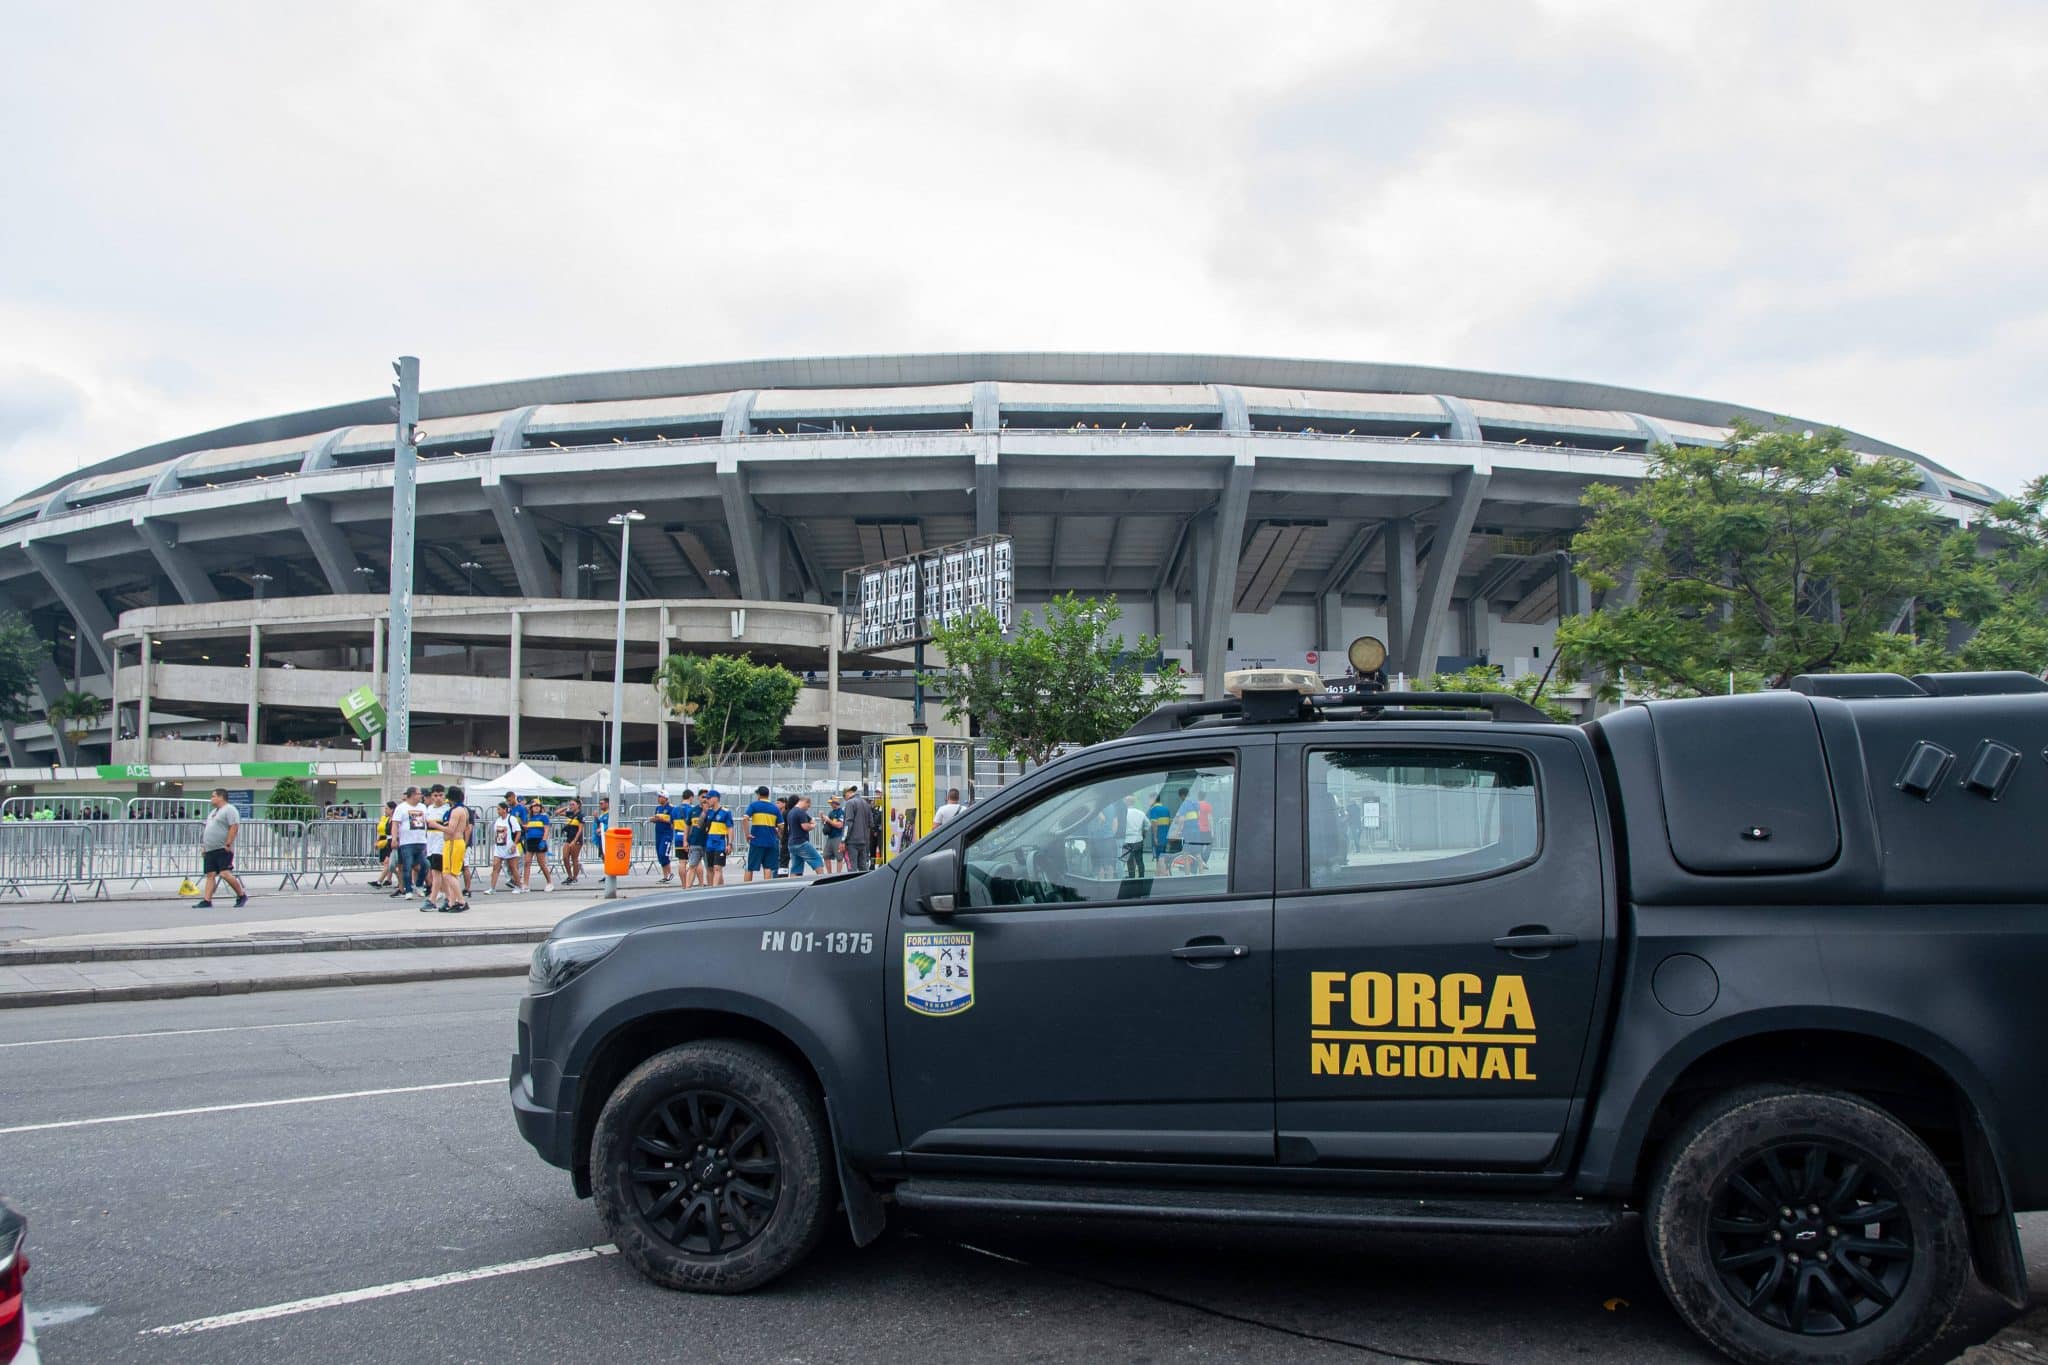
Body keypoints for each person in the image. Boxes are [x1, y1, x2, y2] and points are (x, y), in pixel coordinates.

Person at [196, 787, 248, 908]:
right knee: (210, 874)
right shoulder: (213, 812)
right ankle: (207, 900)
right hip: (210, 848)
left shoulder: (229, 810)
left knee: (224, 873)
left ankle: (241, 895)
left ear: (220, 797)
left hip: (222, 848)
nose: (211, 799)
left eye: (213, 796)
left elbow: (234, 827)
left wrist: (228, 843)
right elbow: (209, 829)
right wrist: (204, 847)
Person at [432, 786, 472, 913]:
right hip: (454, 843)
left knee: (447, 874)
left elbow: (450, 830)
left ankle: (461, 901)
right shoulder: (461, 810)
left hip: (454, 842)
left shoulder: (456, 811)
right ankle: (452, 902)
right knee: (452, 874)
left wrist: (435, 825)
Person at [389, 785, 428, 899]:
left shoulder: (423, 807)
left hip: (421, 841)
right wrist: (394, 838)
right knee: (407, 866)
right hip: (407, 842)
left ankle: (419, 885)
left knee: (425, 865)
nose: (421, 796)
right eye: (418, 793)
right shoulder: (401, 808)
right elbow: (395, 824)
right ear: (412, 795)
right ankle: (408, 890)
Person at [743, 785, 782, 882]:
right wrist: (778, 833)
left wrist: (747, 834)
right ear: (768, 795)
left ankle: (746, 888)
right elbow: (781, 825)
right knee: (768, 867)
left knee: (750, 867)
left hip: (756, 840)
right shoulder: (775, 808)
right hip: (771, 841)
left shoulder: (754, 805)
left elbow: (745, 819)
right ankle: (767, 888)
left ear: (759, 795)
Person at [421, 788, 449, 908]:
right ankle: (449, 897)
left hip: (441, 845)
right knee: (438, 874)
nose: (438, 798)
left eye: (440, 795)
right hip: (431, 845)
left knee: (437, 873)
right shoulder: (429, 809)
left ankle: (432, 900)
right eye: (435, 795)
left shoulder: (447, 810)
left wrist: (436, 825)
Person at [522, 796, 555, 891]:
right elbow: (528, 828)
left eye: (538, 806)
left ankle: (549, 882)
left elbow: (546, 830)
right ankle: (525, 884)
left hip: (539, 840)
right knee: (527, 862)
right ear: (531, 808)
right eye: (534, 806)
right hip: (530, 841)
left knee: (542, 863)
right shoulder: (529, 818)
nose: (536, 807)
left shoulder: (544, 817)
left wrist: (543, 841)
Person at [487, 799, 521, 893]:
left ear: (505, 809)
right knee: (495, 866)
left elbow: (518, 832)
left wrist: (514, 844)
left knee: (513, 867)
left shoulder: (511, 819)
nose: (498, 811)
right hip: (499, 847)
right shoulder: (498, 820)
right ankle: (492, 888)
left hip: (509, 846)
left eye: (499, 809)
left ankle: (518, 886)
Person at [699, 791, 731, 886]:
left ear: (716, 798)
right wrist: (704, 812)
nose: (707, 800)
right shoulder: (708, 812)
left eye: (709, 798)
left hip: (720, 843)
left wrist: (730, 843)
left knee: (717, 867)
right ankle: (717, 887)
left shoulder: (725, 812)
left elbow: (730, 828)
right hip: (709, 844)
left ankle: (714, 889)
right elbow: (699, 824)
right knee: (710, 868)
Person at [841, 785, 876, 873]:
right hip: (864, 841)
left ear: (847, 794)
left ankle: (852, 886)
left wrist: (843, 840)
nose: (845, 800)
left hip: (852, 841)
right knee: (863, 868)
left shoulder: (850, 803)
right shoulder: (865, 803)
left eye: (844, 797)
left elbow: (848, 823)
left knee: (851, 868)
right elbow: (871, 823)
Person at [786, 794, 822, 876]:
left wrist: (811, 821)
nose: (808, 808)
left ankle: (794, 886)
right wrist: (813, 826)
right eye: (808, 806)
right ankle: (822, 881)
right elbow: (805, 827)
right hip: (801, 843)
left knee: (796, 867)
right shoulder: (800, 812)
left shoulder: (791, 812)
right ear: (805, 802)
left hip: (792, 843)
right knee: (817, 859)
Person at [680, 789, 707, 888]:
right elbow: (687, 826)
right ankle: (687, 888)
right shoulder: (693, 810)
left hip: (707, 843)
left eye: (706, 797)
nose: (704, 799)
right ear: (698, 798)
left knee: (711, 868)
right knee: (692, 866)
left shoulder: (711, 811)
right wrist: (685, 841)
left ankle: (709, 887)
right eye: (702, 797)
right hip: (695, 843)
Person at [650, 791, 676, 883]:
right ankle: (665, 876)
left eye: (660, 796)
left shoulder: (671, 808)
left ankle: (669, 874)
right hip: (659, 834)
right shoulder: (658, 808)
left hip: (667, 834)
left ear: (665, 798)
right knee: (660, 855)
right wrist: (654, 820)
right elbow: (657, 819)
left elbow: (673, 821)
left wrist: (662, 819)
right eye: (658, 797)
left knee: (663, 853)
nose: (658, 798)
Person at [369, 800, 396, 886]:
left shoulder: (395, 820)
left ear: (392, 810)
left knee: (388, 863)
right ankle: (398, 881)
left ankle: (379, 881)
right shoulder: (387, 819)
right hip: (388, 842)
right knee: (389, 864)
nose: (385, 810)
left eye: (387, 808)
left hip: (393, 842)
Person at [560, 799, 586, 885]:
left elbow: (580, 830)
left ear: (578, 805)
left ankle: (575, 878)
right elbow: (557, 812)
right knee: (565, 857)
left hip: (577, 840)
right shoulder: (570, 814)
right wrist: (566, 807)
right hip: (568, 838)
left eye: (573, 804)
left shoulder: (580, 815)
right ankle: (569, 876)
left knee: (574, 859)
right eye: (570, 804)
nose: (571, 806)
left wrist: (574, 841)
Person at [820, 793, 845, 873]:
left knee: (839, 857)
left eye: (832, 803)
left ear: (836, 803)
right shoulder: (831, 813)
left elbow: (839, 825)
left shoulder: (841, 812)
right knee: (826, 855)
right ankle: (829, 874)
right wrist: (823, 818)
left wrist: (828, 820)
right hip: (830, 837)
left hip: (838, 836)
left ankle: (838, 874)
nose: (830, 804)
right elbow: (827, 824)